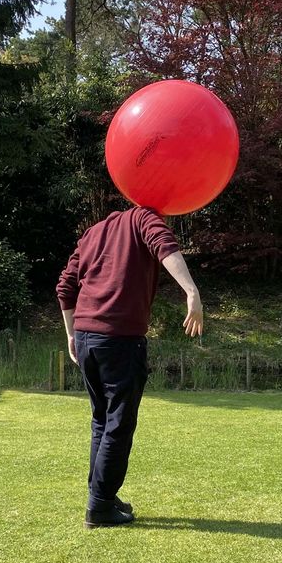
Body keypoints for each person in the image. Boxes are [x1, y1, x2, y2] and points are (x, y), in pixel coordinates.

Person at [56, 206, 203, 528]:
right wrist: (191, 291)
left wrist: (70, 334)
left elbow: (65, 286)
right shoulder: (144, 217)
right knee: (118, 425)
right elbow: (165, 247)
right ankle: (99, 507)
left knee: (102, 421)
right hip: (119, 341)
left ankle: (103, 496)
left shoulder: (95, 230)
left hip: (86, 338)